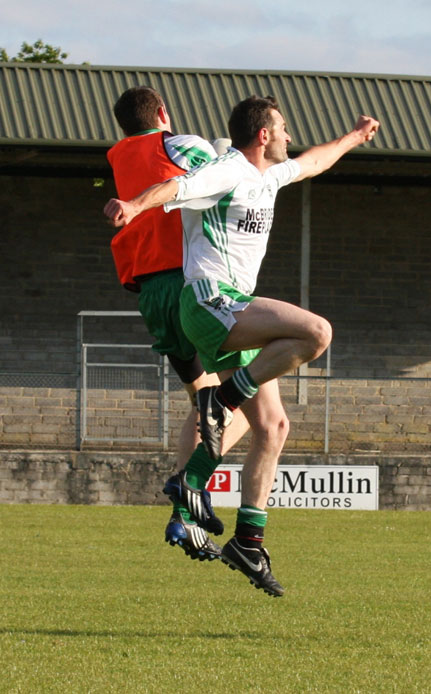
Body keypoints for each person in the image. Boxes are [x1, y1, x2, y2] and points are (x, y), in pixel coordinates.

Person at [104, 95, 380, 597]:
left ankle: (246, 541)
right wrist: (133, 204)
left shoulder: (266, 177)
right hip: (210, 303)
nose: (289, 136)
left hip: (232, 311)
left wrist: (354, 137)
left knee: (273, 427)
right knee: (316, 333)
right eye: (283, 128)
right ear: (263, 135)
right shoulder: (227, 170)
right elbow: (176, 186)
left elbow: (313, 161)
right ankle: (220, 404)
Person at [106, 85, 249, 562]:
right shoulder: (179, 143)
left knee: (202, 402)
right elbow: (220, 171)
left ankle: (184, 519)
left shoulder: (120, 157)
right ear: (163, 113)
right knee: (242, 408)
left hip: (150, 291)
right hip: (189, 285)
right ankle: (188, 485)